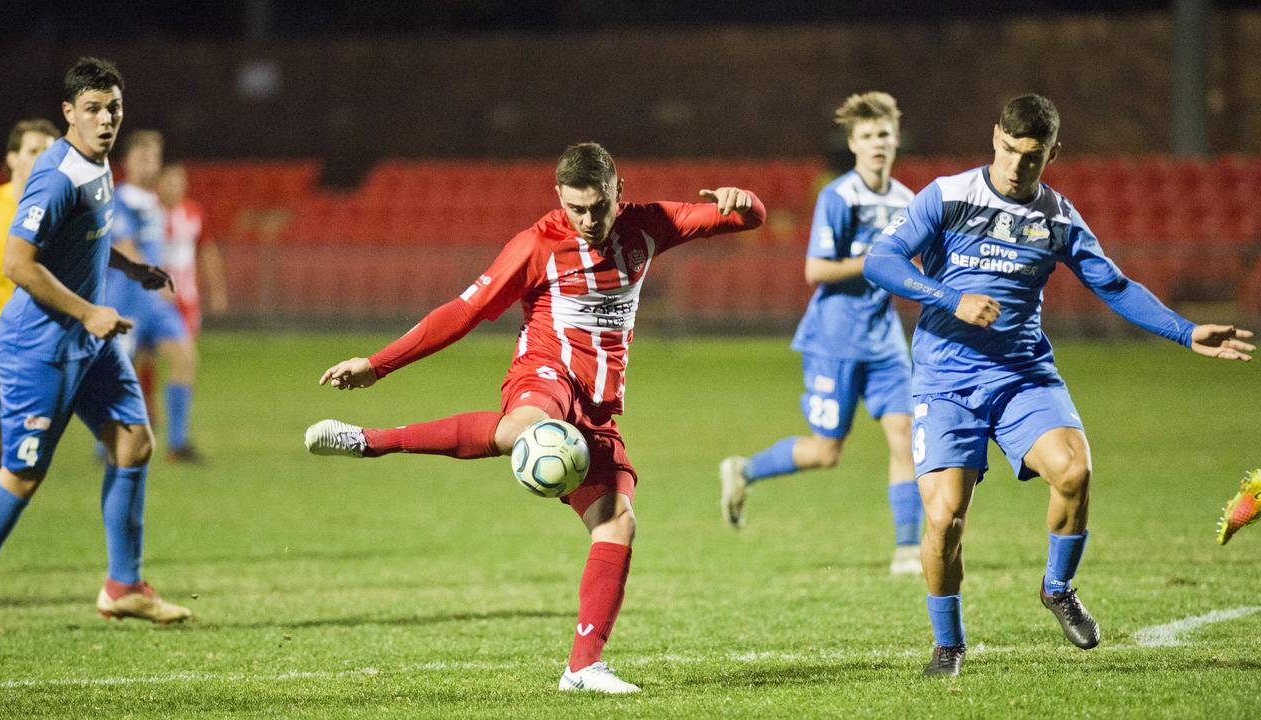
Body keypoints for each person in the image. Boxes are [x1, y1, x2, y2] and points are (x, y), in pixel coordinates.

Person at [304, 142, 765, 693]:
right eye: (577, 208)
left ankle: (583, 667)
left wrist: (746, 201)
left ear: (620, 190)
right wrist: (377, 365)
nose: (589, 220)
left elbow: (746, 218)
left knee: (617, 521)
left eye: (599, 206)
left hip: (599, 403)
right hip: (543, 372)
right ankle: (367, 440)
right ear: (559, 199)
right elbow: (463, 312)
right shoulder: (535, 245)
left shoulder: (651, 224)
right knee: (526, 428)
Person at [863, 94, 1254, 676]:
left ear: (1052, 152)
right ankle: (948, 645)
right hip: (946, 381)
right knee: (944, 519)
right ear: (995, 136)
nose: (1019, 166)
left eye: (1034, 156)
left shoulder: (1058, 217)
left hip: (1022, 375)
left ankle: (1057, 587)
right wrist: (951, 297)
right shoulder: (947, 196)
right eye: (1011, 150)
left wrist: (1184, 331)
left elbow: (1114, 286)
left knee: (1075, 470)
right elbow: (881, 261)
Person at [0, 58, 192, 633]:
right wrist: (89, 310)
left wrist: (133, 267)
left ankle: (124, 587)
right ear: (69, 113)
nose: (106, 119)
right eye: (93, 109)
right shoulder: (55, 176)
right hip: (38, 346)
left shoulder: (98, 166)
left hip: (87, 340)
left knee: (133, 443)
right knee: (22, 473)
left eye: (113, 108)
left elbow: (88, 239)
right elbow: (18, 265)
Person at [718, 91, 922, 575]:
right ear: (853, 143)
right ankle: (743, 470)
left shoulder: (906, 201)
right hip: (834, 339)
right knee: (826, 451)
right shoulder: (839, 197)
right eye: (868, 136)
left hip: (886, 339)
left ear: (896, 141)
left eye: (885, 135)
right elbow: (816, 270)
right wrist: (876, 262)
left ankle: (909, 550)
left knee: (907, 435)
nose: (877, 144)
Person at [105, 131, 203, 463]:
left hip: (156, 304)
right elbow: (125, 246)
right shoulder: (118, 199)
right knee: (120, 373)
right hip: (126, 299)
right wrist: (155, 276)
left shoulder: (156, 203)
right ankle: (106, 441)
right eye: (143, 157)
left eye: (155, 157)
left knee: (184, 357)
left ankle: (177, 444)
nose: (150, 163)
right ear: (127, 161)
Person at [0, 120, 59, 482]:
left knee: (17, 454)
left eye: (50, 151)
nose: (43, 158)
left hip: (29, 344)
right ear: (12, 158)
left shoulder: (61, 215)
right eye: (34, 150)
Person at [157, 162, 228, 338]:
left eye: (178, 182)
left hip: (186, 295)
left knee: (187, 348)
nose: (174, 188)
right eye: (169, 182)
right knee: (146, 351)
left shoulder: (194, 213)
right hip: (154, 292)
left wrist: (217, 290)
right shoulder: (148, 212)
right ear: (159, 184)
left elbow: (207, 251)